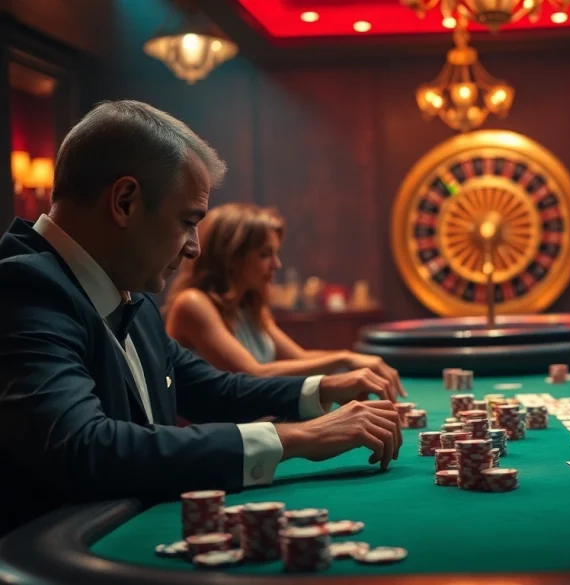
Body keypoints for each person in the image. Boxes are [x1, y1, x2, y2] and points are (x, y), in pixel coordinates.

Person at [0, 100, 404, 536]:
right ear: (125, 201)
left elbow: (211, 387)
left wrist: (323, 387)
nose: (194, 247)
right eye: (187, 221)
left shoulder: (126, 288)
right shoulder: (23, 288)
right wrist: (295, 439)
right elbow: (84, 447)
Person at [163, 202, 401, 392]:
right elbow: (252, 373)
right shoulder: (192, 304)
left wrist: (359, 365)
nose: (276, 265)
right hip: (210, 442)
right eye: (265, 254)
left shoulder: (249, 306)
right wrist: (346, 359)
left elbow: (301, 359)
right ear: (232, 257)